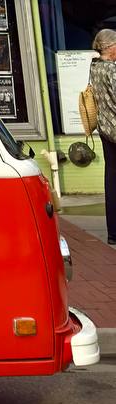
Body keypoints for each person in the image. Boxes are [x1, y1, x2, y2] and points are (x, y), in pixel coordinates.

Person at [89, 28, 116, 245]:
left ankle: (113, 232)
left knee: (111, 179)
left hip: (105, 129)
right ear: (110, 47)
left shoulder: (94, 67)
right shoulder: (111, 70)